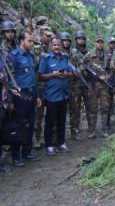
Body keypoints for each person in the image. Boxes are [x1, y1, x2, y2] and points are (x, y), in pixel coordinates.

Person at [10, 31, 42, 167]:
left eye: (33, 41)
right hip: (20, 96)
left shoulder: (30, 56)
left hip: (32, 94)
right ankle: (16, 156)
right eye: (30, 41)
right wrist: (11, 100)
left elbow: (33, 77)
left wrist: (38, 95)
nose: (32, 43)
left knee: (30, 124)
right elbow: (10, 79)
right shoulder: (14, 56)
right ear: (22, 41)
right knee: (19, 125)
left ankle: (27, 152)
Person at [38, 36, 73, 155]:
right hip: (51, 96)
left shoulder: (65, 58)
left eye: (58, 45)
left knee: (62, 121)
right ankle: (48, 145)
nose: (57, 47)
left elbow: (70, 73)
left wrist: (66, 74)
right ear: (51, 46)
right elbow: (41, 76)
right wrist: (53, 75)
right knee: (49, 122)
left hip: (63, 96)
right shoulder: (46, 59)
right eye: (54, 45)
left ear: (61, 45)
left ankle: (61, 143)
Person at [70, 30, 94, 139]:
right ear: (76, 40)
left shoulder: (89, 52)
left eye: (82, 39)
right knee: (75, 108)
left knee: (90, 107)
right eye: (79, 39)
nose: (81, 40)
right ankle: (75, 131)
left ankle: (91, 130)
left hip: (87, 82)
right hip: (76, 83)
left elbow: (92, 66)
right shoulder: (72, 52)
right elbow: (71, 65)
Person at [87, 37, 111, 138]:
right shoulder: (90, 54)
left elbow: (111, 69)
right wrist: (90, 75)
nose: (100, 44)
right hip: (93, 85)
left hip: (104, 86)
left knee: (105, 109)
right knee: (93, 109)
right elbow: (82, 65)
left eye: (102, 42)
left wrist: (107, 76)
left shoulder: (107, 55)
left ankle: (104, 130)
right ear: (95, 43)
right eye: (98, 42)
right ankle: (92, 131)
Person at [33, 26, 53, 149]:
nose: (49, 38)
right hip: (39, 85)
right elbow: (34, 66)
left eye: (50, 36)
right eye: (47, 35)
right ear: (41, 35)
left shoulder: (51, 47)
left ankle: (49, 138)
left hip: (49, 85)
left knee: (50, 114)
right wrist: (42, 56)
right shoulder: (37, 48)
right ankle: (36, 139)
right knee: (38, 114)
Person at [106, 37, 115, 131]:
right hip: (109, 81)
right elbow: (105, 66)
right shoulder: (106, 54)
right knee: (108, 103)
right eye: (111, 43)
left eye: (114, 43)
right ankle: (107, 123)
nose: (112, 44)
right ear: (108, 44)